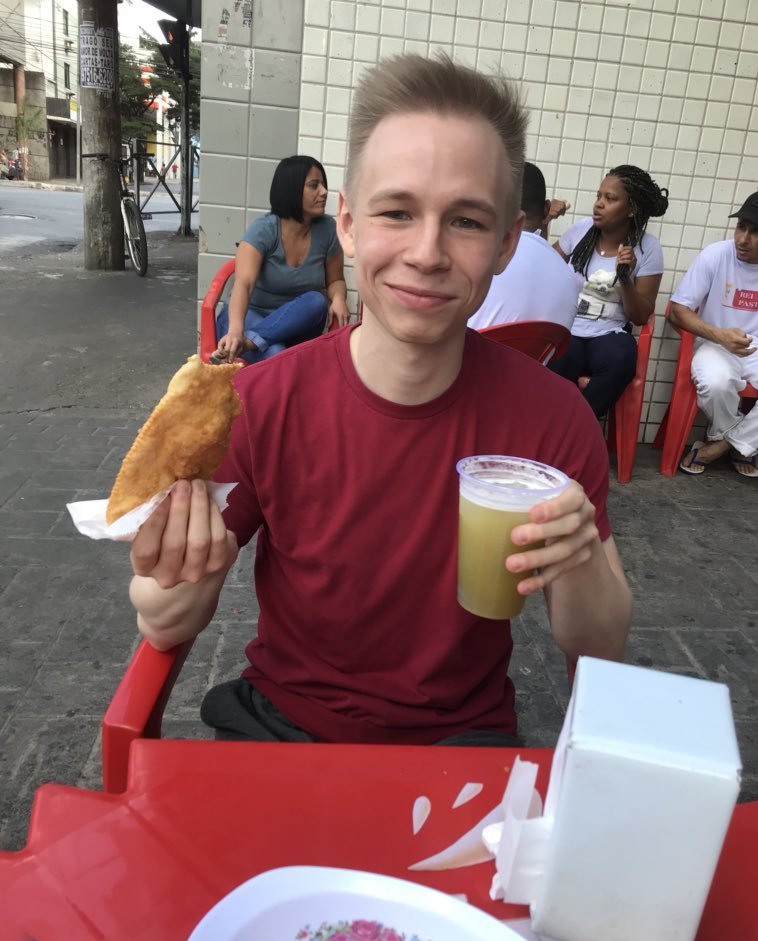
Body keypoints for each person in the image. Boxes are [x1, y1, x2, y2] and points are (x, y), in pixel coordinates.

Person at [128, 54, 633, 746]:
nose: (426, 252)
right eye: (397, 211)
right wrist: (179, 570)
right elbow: (163, 621)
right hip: (282, 727)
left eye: (465, 222)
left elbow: (600, 648)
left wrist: (576, 560)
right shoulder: (257, 402)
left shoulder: (551, 420)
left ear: (510, 243)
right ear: (349, 224)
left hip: (462, 739)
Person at [548, 165, 669, 418]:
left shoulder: (648, 248)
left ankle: (575, 430)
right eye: (599, 196)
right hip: (569, 327)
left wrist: (625, 278)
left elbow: (639, 316)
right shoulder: (581, 231)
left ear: (631, 208)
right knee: (555, 360)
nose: (599, 204)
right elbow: (544, 268)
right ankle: (558, 428)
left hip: (609, 332)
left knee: (621, 360)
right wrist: (545, 222)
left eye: (610, 199)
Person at [212, 155, 350, 365]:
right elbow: (244, 284)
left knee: (317, 301)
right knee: (276, 354)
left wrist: (338, 298)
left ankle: (251, 342)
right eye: (314, 185)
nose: (324, 192)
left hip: (294, 327)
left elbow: (335, 280)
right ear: (291, 190)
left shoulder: (327, 229)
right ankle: (251, 341)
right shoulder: (264, 229)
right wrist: (235, 331)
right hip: (248, 316)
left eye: (323, 185)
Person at [673, 190, 758, 478]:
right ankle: (743, 445)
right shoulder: (716, 255)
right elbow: (677, 310)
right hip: (714, 344)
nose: (743, 238)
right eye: (741, 227)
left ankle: (721, 444)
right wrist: (719, 335)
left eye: (756, 231)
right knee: (716, 382)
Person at [468, 162, 580, 332]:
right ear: (546, 209)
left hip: (471, 357)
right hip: (536, 359)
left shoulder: (479, 259)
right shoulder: (568, 278)